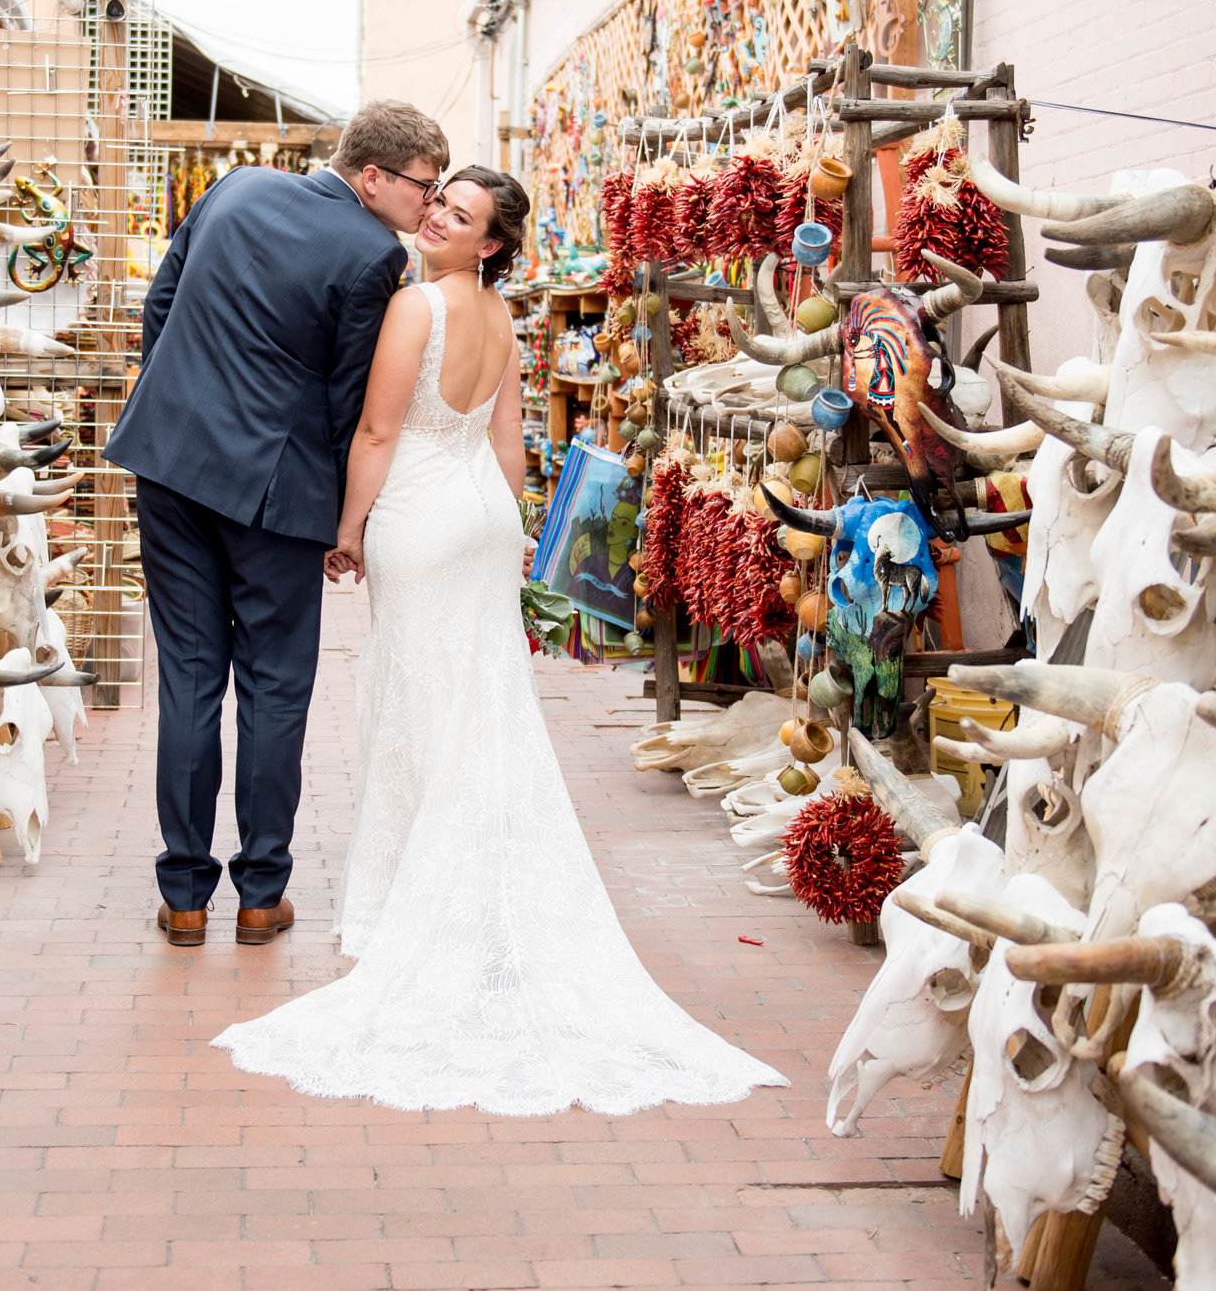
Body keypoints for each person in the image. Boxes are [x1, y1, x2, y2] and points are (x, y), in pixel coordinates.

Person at [212, 167, 789, 1115]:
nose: (436, 214)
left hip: (422, 516)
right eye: (438, 199)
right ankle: (458, 896)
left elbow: (377, 429)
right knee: (478, 701)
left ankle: (418, 908)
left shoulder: (416, 307)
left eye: (461, 214)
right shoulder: (502, 318)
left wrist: (348, 528)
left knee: (416, 701)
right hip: (481, 513)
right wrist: (515, 531)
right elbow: (512, 443)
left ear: (488, 241)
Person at [105, 100, 446, 948]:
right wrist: (343, 518)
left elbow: (162, 304)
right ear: (372, 175)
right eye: (422, 186)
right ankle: (263, 893)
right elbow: (346, 398)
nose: (429, 205)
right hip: (275, 493)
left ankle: (184, 895)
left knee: (187, 676)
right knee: (274, 687)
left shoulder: (236, 186)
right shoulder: (374, 255)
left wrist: (182, 405)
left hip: (171, 463)